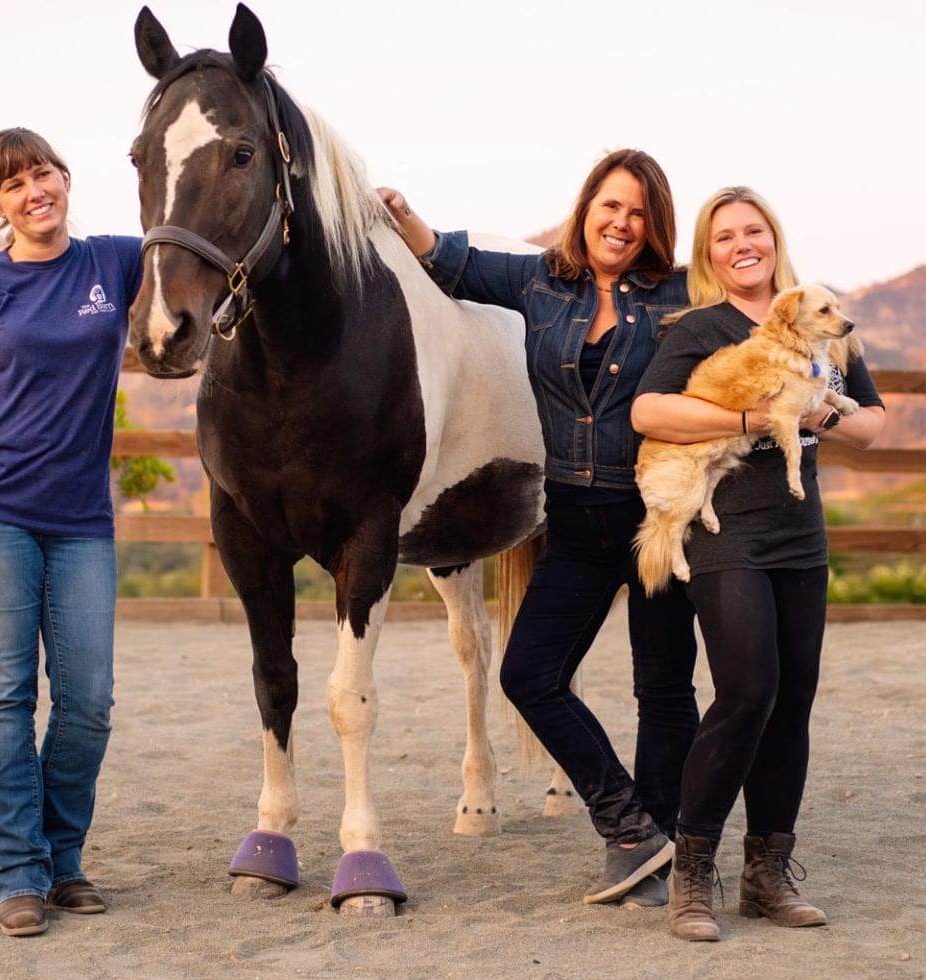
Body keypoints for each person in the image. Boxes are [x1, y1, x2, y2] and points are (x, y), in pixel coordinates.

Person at [379, 148, 699, 909]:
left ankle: (663, 839)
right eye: (609, 206)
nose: (620, 223)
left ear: (653, 226)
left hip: (660, 517)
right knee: (528, 674)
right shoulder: (538, 283)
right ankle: (628, 826)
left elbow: (757, 314)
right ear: (585, 208)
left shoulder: (683, 294)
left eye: (637, 213)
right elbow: (450, 264)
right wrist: (398, 213)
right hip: (576, 521)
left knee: (662, 685)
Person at [631, 186, 885, 941]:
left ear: (772, 238)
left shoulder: (825, 321)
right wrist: (750, 418)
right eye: (722, 238)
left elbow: (870, 426)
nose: (741, 245)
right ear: (709, 255)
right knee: (746, 691)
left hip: (799, 537)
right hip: (727, 534)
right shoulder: (698, 327)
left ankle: (766, 877)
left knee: (791, 703)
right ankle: (690, 873)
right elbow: (649, 411)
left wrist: (822, 413)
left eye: (752, 231)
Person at [0, 128, 143, 937]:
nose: (33, 192)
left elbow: (207, 243)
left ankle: (63, 857)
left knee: (87, 701)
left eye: (42, 173)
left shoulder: (113, 262)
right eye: (13, 185)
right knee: (5, 697)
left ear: (65, 179)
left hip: (82, 519)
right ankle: (20, 870)